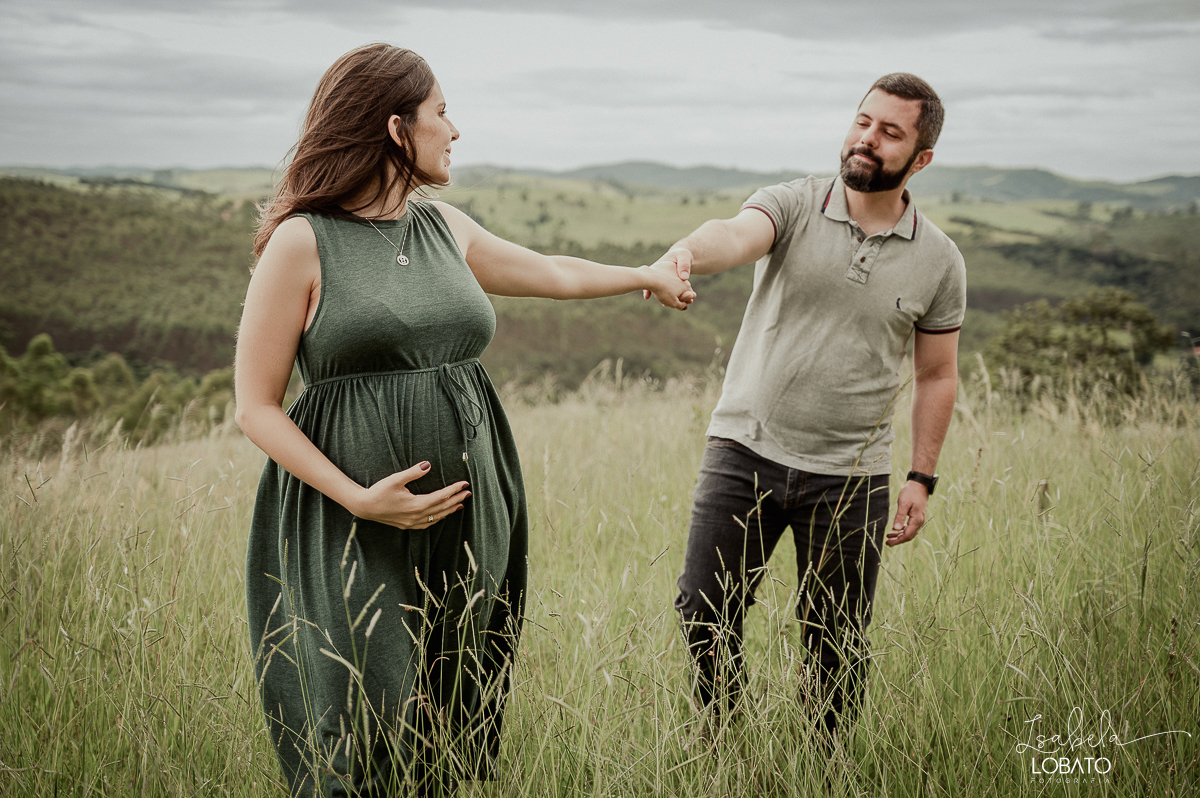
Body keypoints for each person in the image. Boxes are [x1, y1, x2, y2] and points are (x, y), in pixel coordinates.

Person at [236, 43, 694, 796]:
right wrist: (358, 497)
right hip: (352, 520)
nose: (456, 130)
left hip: (476, 510)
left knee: (459, 715)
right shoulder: (302, 241)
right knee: (360, 725)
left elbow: (551, 271)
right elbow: (256, 404)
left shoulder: (445, 227)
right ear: (394, 128)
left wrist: (644, 274)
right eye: (441, 113)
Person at [659, 73, 965, 740]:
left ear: (921, 159)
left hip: (853, 476)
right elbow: (735, 235)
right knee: (704, 613)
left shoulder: (939, 261)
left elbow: (938, 374)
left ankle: (822, 764)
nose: (866, 139)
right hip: (744, 449)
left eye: (890, 132)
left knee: (837, 643)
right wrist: (685, 253)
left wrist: (921, 475)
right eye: (863, 121)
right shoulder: (794, 203)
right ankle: (724, 745)